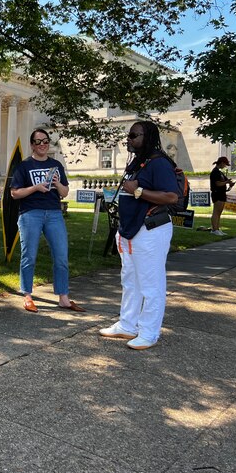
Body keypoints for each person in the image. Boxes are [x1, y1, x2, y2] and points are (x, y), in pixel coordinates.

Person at [99, 121, 178, 350]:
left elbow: (172, 197)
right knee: (130, 281)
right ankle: (127, 324)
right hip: (130, 231)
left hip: (150, 230)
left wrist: (138, 191)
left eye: (134, 135)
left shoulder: (159, 162)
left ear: (148, 136)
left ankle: (149, 332)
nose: (129, 139)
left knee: (151, 284)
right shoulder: (138, 162)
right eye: (129, 135)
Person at [10, 129, 85, 313]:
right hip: (30, 213)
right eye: (37, 142)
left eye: (45, 141)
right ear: (32, 145)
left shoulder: (56, 165)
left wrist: (57, 183)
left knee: (61, 256)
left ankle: (63, 297)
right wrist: (36, 187)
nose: (42, 144)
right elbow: (14, 193)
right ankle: (27, 295)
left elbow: (65, 192)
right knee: (29, 256)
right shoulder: (24, 166)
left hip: (53, 214)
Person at [210, 156, 235, 236]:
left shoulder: (220, 172)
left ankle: (217, 228)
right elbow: (217, 183)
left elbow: (225, 181)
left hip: (222, 193)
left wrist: (230, 183)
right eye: (225, 164)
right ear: (221, 163)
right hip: (217, 193)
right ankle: (214, 229)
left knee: (219, 212)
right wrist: (226, 182)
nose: (225, 166)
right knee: (216, 212)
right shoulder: (215, 172)